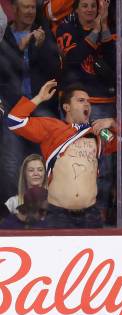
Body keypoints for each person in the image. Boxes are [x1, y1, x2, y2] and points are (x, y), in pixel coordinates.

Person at [6, 80, 122, 228]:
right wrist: (39, 98)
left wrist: (113, 123)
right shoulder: (52, 127)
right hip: (59, 215)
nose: (87, 104)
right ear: (67, 107)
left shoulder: (98, 133)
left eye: (88, 102)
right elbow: (14, 121)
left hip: (91, 214)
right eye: (81, 100)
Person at [0, 0, 59, 208]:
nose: (30, 11)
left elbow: (54, 72)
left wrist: (42, 48)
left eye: (32, 7)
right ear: (14, 10)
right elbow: (5, 73)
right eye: (25, 7)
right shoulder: (4, 36)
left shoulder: (43, 33)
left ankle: (47, 206)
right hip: (13, 107)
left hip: (40, 106)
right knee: (11, 160)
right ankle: (12, 210)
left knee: (45, 156)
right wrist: (19, 49)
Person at [56, 0, 116, 121]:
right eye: (85, 6)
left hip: (104, 101)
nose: (90, 9)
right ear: (76, 9)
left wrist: (103, 26)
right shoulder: (65, 29)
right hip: (74, 103)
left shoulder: (108, 30)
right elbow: (73, 58)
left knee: (103, 139)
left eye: (93, 6)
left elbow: (113, 61)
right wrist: (95, 31)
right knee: (76, 140)